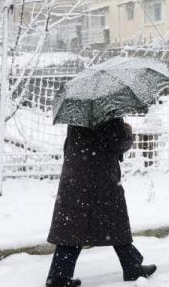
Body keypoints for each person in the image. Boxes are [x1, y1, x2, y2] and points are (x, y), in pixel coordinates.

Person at [46, 118, 156, 287]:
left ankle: (59, 275)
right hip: (101, 179)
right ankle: (132, 267)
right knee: (115, 222)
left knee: (74, 226)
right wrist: (127, 131)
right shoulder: (109, 113)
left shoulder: (77, 114)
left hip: (75, 177)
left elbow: (67, 146)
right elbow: (119, 143)